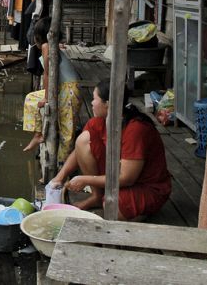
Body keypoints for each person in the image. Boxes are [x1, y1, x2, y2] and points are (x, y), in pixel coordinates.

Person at [50, 78, 172, 220]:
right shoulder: (100, 122)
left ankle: (140, 211)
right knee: (83, 140)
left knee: (113, 207)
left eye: (94, 99)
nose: (91, 103)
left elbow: (127, 179)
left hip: (147, 187)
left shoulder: (136, 130)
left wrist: (86, 179)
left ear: (107, 104)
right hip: (119, 176)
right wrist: (59, 178)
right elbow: (79, 150)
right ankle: (97, 196)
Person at [21, 18, 82, 156]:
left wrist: (47, 97)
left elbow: (48, 74)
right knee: (31, 99)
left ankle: (61, 170)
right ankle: (38, 134)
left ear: (38, 36)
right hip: (63, 88)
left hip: (70, 90)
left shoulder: (46, 47)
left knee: (67, 132)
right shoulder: (50, 46)